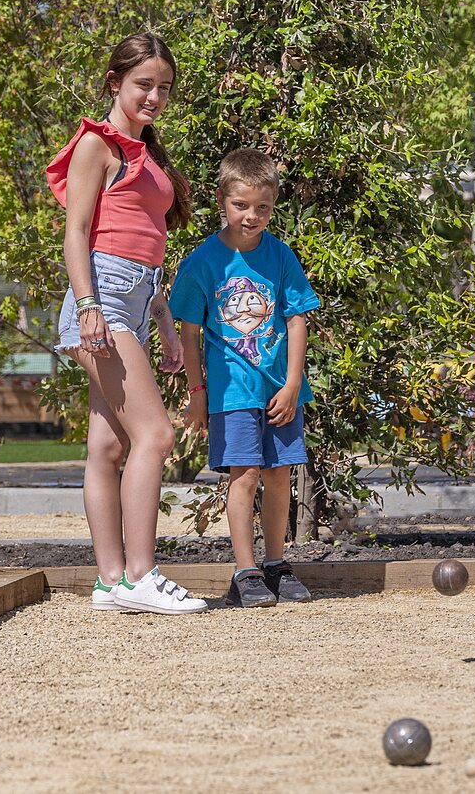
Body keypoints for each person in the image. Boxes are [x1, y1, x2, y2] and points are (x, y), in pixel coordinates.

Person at [45, 33, 207, 615]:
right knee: (156, 435)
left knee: (108, 447)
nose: (155, 96)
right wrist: (88, 306)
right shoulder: (97, 144)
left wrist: (161, 319)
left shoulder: (145, 150)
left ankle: (111, 581)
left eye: (164, 87)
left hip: (135, 300)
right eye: (144, 84)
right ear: (115, 82)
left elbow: (147, 249)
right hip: (103, 300)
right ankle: (142, 573)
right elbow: (77, 232)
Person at [169, 148, 320, 607]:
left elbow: (297, 319)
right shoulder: (201, 263)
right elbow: (190, 336)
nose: (251, 216)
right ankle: (245, 571)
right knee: (245, 474)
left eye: (262, 207)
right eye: (241, 205)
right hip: (231, 389)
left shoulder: (280, 257)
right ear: (221, 200)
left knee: (279, 475)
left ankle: (275, 564)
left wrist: (293, 383)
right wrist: (197, 393)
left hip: (279, 389)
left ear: (273, 206)